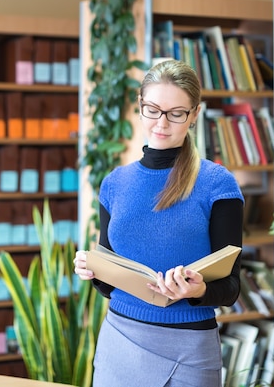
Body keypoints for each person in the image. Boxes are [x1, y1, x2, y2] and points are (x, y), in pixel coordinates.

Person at [74, 59, 243, 387]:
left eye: (176, 113)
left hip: (189, 351)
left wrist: (198, 290)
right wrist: (93, 271)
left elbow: (231, 287)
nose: (161, 123)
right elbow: (110, 283)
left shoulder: (217, 184)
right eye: (153, 109)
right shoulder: (114, 184)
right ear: (140, 106)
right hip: (119, 343)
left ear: (194, 114)